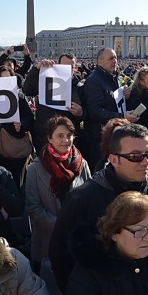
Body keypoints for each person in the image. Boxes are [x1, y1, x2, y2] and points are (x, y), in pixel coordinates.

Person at [49, 123, 148, 292]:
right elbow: (60, 253)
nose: (146, 162)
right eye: (135, 156)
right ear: (114, 159)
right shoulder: (81, 199)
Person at [25, 115, 91, 273]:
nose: (66, 140)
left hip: (77, 236)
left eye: (69, 136)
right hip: (49, 238)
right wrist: (61, 226)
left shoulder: (82, 163)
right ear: (49, 138)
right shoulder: (35, 168)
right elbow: (34, 208)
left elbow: (89, 196)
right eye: (60, 136)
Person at [82, 48, 139, 164]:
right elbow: (95, 111)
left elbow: (111, 100)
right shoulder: (93, 81)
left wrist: (124, 95)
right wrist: (122, 116)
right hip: (99, 137)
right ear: (100, 62)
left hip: (111, 134)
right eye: (111, 58)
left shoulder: (113, 77)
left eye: (115, 58)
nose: (115, 61)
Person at [23, 54, 86, 156]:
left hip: (67, 140)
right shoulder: (46, 80)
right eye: (64, 66)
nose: (68, 69)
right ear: (58, 65)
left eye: (71, 66)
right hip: (44, 136)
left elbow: (87, 112)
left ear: (75, 68)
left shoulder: (79, 87)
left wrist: (81, 112)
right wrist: (36, 68)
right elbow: (27, 90)